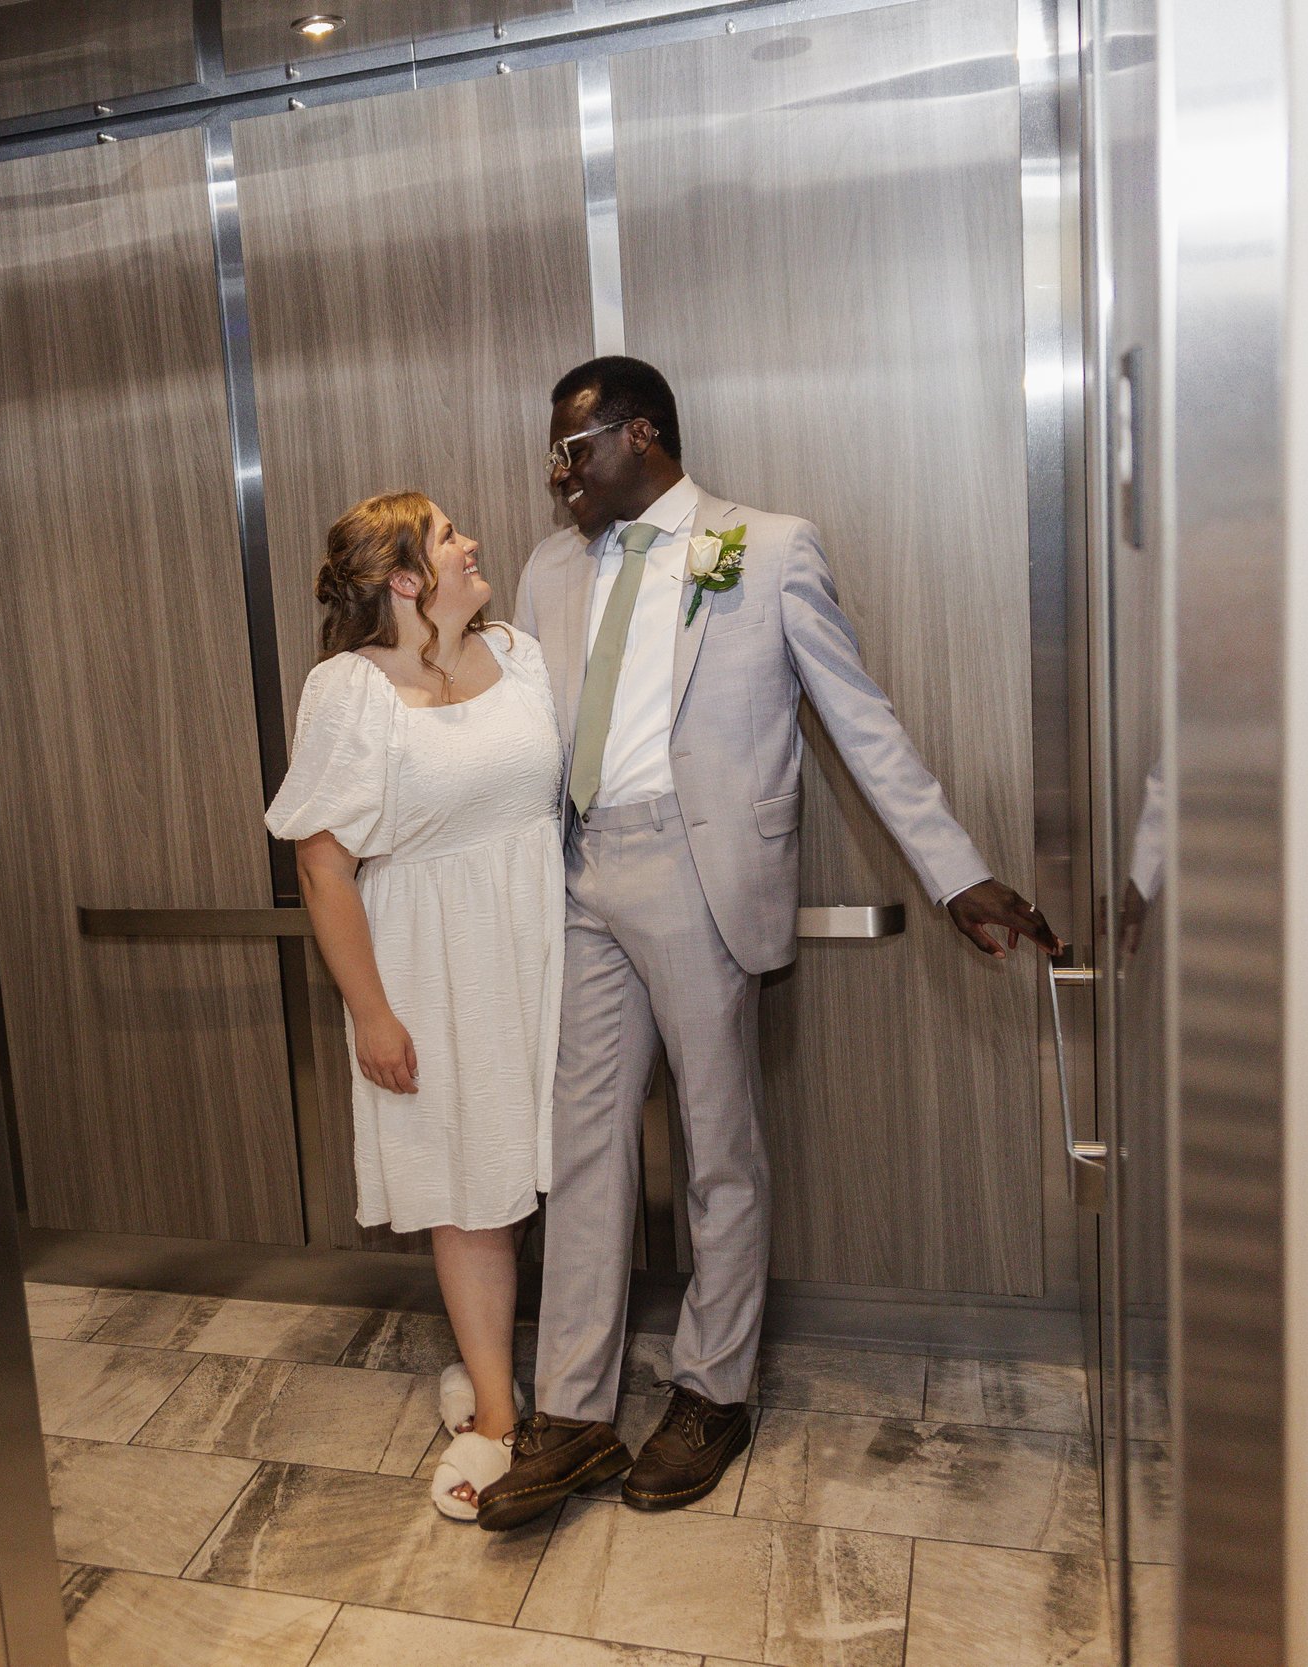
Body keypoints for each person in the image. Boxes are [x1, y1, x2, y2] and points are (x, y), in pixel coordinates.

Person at [475, 357, 1059, 1530]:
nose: (557, 477)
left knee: (716, 1145)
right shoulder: (548, 566)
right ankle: (576, 1410)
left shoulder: (766, 545)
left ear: (640, 436)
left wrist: (953, 871)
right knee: (580, 1148)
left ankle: (713, 1387)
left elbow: (860, 718)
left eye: (571, 451)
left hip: (701, 872)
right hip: (581, 872)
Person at [265, 491, 566, 1521]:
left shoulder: (520, 655)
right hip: (432, 967)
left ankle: (556, 1380)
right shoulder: (350, 690)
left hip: (545, 946)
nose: (469, 541)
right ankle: (494, 1413)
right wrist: (371, 1013)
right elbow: (322, 864)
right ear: (402, 578)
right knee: (467, 1186)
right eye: (445, 535)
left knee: (557, 1164)